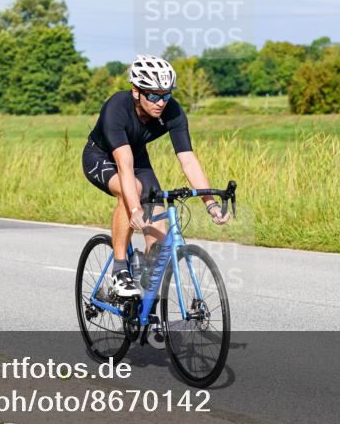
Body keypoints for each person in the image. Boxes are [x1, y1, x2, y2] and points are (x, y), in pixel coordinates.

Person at [82, 54, 231, 298]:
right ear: (136, 91)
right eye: (153, 95)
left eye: (166, 94)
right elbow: (124, 166)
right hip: (101, 157)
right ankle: (119, 270)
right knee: (132, 192)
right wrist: (134, 210)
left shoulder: (172, 111)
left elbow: (188, 159)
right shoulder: (116, 108)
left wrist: (210, 203)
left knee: (158, 232)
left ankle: (143, 300)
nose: (160, 102)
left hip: (138, 160)